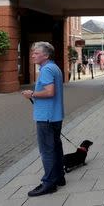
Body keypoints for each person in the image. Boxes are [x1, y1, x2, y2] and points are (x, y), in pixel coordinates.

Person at [21, 42, 65, 197]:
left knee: (47, 150)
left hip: (46, 117)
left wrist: (31, 94)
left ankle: (49, 183)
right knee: (56, 147)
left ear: (46, 55)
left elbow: (49, 92)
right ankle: (59, 178)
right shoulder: (54, 67)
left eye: (36, 53)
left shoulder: (46, 70)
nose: (33, 55)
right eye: (32, 52)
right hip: (55, 115)